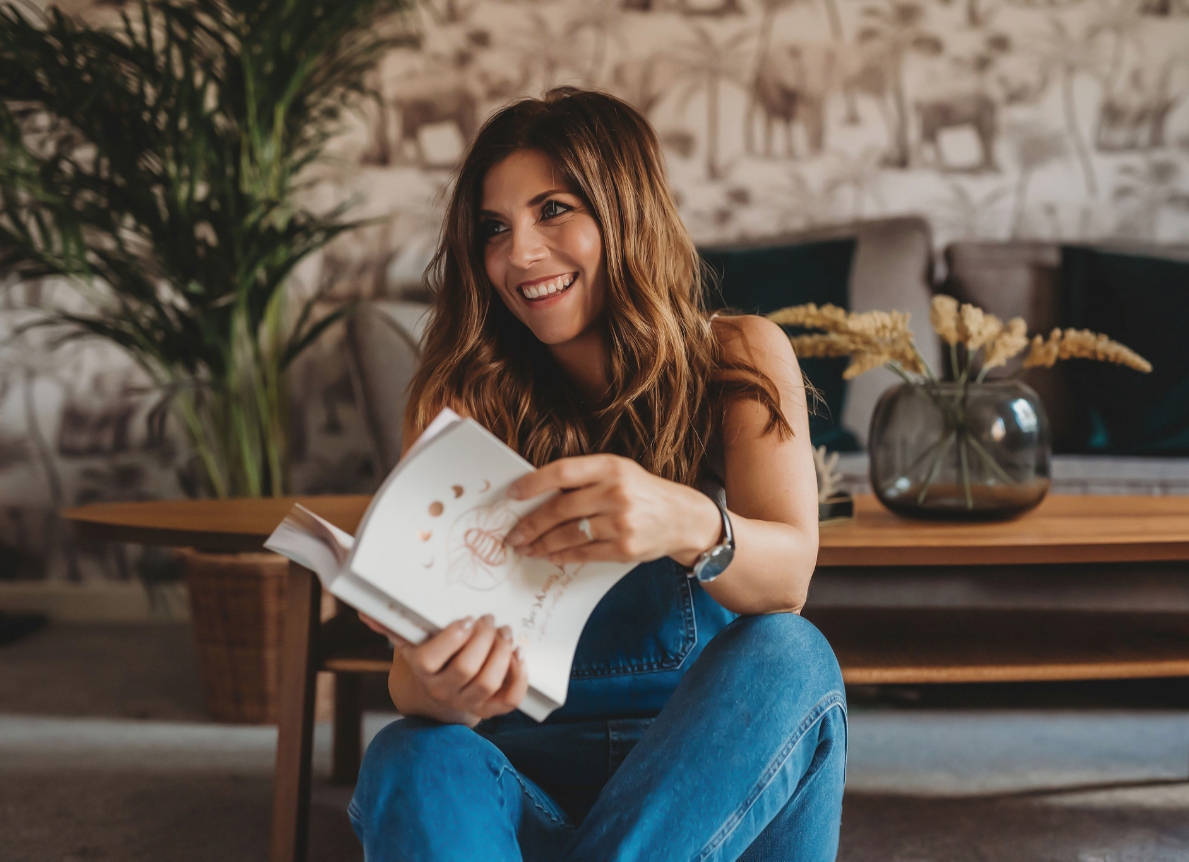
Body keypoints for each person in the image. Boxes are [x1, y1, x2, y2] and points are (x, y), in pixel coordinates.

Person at [348, 87, 847, 861]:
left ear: (626, 210)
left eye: (553, 210)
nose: (520, 254)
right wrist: (437, 684)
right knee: (409, 752)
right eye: (494, 229)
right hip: (523, 785)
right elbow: (408, 685)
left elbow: (789, 578)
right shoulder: (461, 397)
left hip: (712, 794)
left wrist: (681, 519)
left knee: (790, 654)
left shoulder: (740, 356)